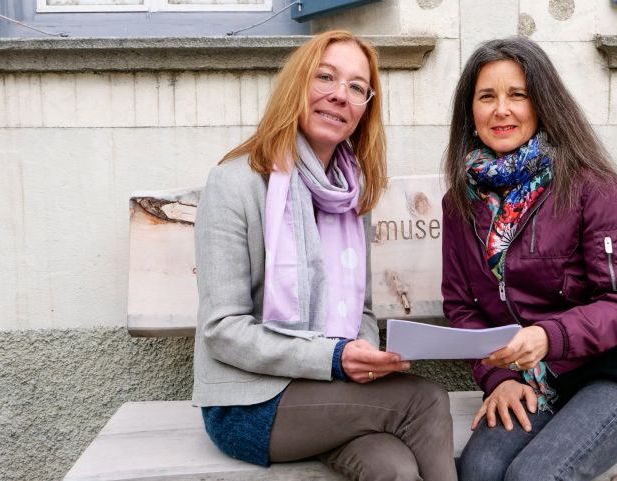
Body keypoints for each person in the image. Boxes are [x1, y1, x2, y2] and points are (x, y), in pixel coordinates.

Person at [192, 30, 457, 481]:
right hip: (250, 403)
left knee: (393, 467)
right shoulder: (235, 183)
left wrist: (365, 355)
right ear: (298, 85)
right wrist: (334, 358)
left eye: (357, 87)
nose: (340, 96)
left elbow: (364, 312)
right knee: (425, 399)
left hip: (330, 394)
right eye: (326, 77)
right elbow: (222, 330)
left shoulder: (352, 196)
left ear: (365, 109)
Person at [441, 37, 617, 481]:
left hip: (614, 371)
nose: (501, 109)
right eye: (487, 97)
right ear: (471, 112)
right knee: (479, 469)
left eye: (517, 95)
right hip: (528, 380)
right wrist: (496, 380)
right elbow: (462, 307)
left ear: (543, 104)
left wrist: (549, 335)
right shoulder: (460, 203)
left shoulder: (590, 186)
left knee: (536, 476)